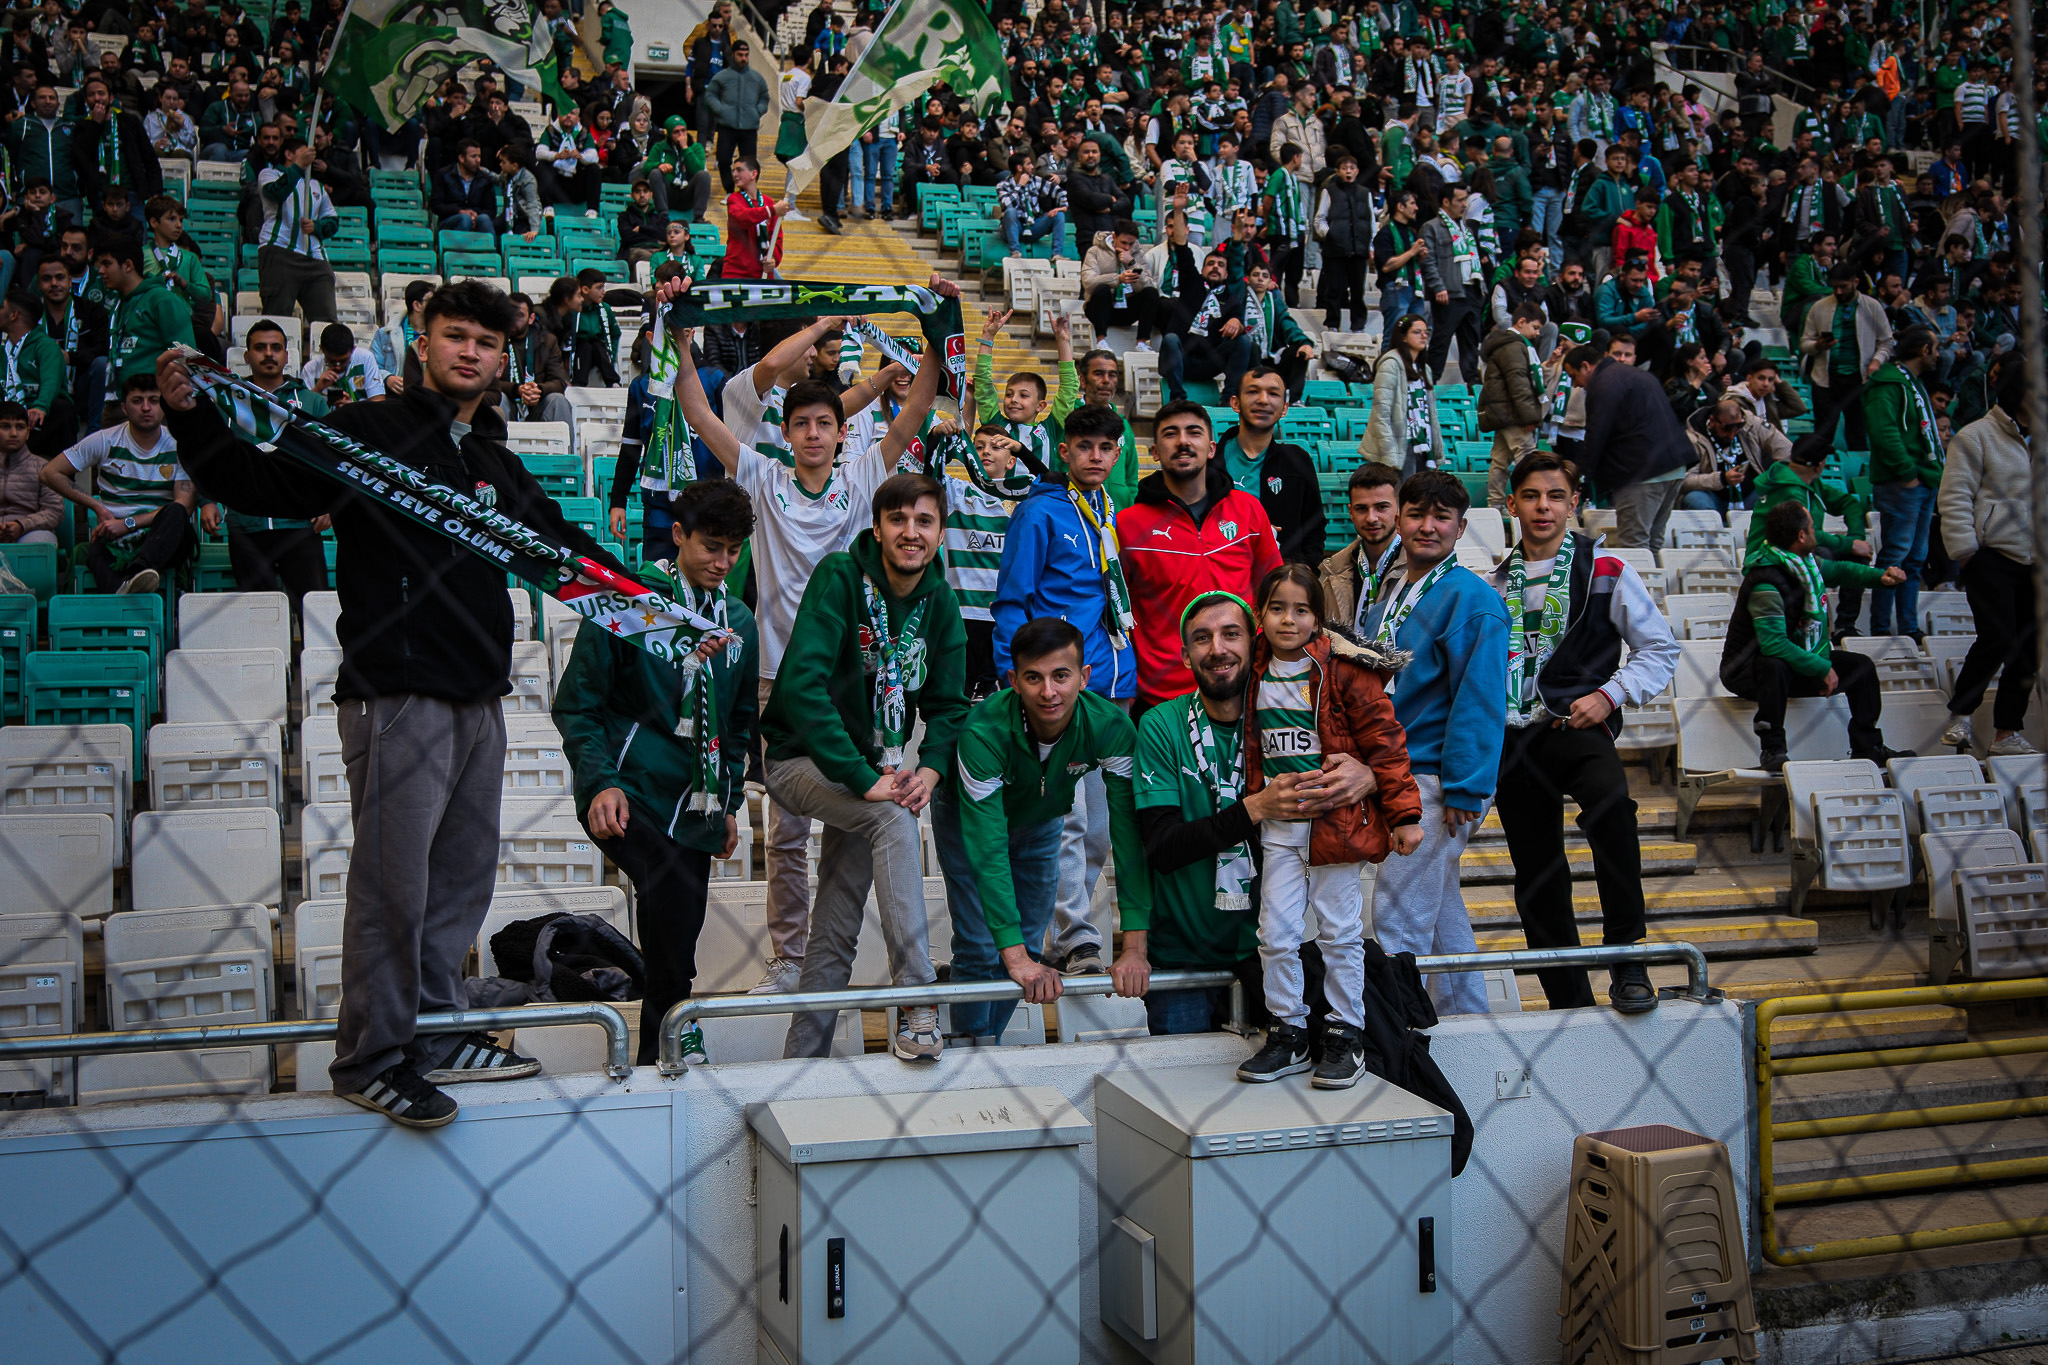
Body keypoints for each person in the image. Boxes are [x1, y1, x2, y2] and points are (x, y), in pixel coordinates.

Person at [158, 281, 630, 1127]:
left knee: (458, 887)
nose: (470, 352)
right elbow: (254, 481)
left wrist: (655, 606)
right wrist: (192, 416)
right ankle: (370, 1056)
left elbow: (564, 545)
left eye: (486, 342)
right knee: (394, 891)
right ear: (422, 341)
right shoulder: (368, 433)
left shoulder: (490, 460)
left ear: (503, 357)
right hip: (399, 695)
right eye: (456, 335)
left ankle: (437, 1031)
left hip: (480, 698)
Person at [671, 296, 931, 996]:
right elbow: (699, 412)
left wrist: (938, 338)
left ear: (842, 433)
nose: (813, 433)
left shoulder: (862, 478)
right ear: (785, 433)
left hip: (854, 683)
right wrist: (681, 344)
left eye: (825, 423)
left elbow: (914, 413)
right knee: (786, 829)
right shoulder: (762, 478)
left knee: (861, 818)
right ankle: (789, 957)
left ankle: (841, 956)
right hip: (777, 679)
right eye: (802, 423)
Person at [759, 470, 965, 1061]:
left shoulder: (941, 602)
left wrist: (928, 773)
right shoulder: (840, 576)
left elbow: (949, 706)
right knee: (894, 820)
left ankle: (800, 1063)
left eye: (924, 521)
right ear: (876, 528)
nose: (910, 532)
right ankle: (919, 1001)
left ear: (940, 532)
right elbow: (802, 689)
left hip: (874, 772)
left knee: (835, 928)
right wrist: (864, 779)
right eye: (897, 519)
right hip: (800, 759)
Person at [555, 478, 759, 1066]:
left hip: (696, 800)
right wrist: (600, 782)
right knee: (669, 890)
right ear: (678, 535)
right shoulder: (631, 602)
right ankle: (674, 1025)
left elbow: (739, 723)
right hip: (627, 788)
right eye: (711, 546)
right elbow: (578, 704)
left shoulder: (739, 622)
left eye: (734, 549)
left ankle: (661, 1042)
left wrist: (728, 805)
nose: (723, 562)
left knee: (681, 917)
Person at [1133, 590, 1384, 1034]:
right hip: (1183, 957)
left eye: (1231, 634)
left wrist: (1371, 775)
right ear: (1186, 656)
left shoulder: (1298, 712)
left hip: (1270, 956)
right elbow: (1163, 848)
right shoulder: (1161, 725)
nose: (1218, 649)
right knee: (1181, 1078)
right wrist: (1255, 809)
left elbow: (1385, 744)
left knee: (1286, 1070)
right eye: (1202, 638)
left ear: (1255, 643)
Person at [1489, 452, 1676, 1013]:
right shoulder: (1492, 582)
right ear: (1511, 504)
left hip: (1575, 723)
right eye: (1530, 496)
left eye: (1555, 496)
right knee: (1536, 871)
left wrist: (1609, 694)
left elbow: (1660, 649)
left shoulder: (1606, 568)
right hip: (1514, 739)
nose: (1542, 507)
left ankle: (1627, 958)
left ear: (1574, 504)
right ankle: (1567, 998)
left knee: (1613, 811)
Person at [1236, 564, 1422, 1085]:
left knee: (1340, 934)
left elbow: (1386, 741)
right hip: (1280, 830)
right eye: (1277, 608)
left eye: (1301, 610)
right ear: (1260, 613)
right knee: (1275, 934)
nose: (1288, 620)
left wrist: (1405, 814)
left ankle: (1346, 1034)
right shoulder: (1252, 668)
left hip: (1335, 828)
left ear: (1318, 618)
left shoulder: (1343, 670)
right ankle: (1288, 1031)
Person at [936, 617, 1153, 1043]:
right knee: (982, 946)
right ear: (1013, 681)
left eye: (1061, 676)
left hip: (1042, 820)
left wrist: (1133, 948)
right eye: (1034, 677)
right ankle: (975, 1053)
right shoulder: (983, 730)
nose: (1049, 691)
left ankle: (985, 1043)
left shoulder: (1110, 726)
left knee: (1032, 948)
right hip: (966, 822)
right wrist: (1013, 956)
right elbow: (988, 849)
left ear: (1084, 677)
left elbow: (1129, 840)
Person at [1358, 470, 1509, 1017]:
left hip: (1439, 778)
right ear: (1399, 521)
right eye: (1417, 514)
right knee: (1440, 909)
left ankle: (1400, 1031)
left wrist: (1465, 786)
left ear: (1460, 528)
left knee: (1397, 914)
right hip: (1403, 770)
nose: (1428, 526)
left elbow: (1481, 699)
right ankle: (1469, 1021)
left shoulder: (1472, 598)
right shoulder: (1393, 590)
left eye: (1441, 517)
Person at [994, 402, 1138, 975]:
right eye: (1084, 446)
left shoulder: (1107, 508)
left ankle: (1064, 930)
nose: (1095, 456)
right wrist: (1016, 679)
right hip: (1056, 692)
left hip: (1108, 681)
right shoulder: (1040, 512)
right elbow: (1012, 599)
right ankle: (1077, 937)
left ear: (1118, 454)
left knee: (1099, 828)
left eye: (1105, 448)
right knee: (1068, 820)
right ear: (1064, 450)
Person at [1117, 400, 1281, 709]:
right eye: (1170, 433)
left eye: (1194, 432)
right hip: (1163, 697)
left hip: (1245, 683)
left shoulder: (1248, 510)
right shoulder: (1127, 526)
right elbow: (1119, 612)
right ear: (1154, 451)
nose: (1183, 441)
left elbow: (1274, 592)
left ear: (1211, 448)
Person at [1720, 501, 1906, 770]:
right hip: (1747, 671)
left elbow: (1840, 570)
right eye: (1812, 527)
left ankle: (1868, 747)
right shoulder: (1765, 581)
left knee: (1861, 667)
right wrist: (1821, 667)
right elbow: (1773, 644)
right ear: (1801, 536)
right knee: (1774, 664)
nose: (1816, 532)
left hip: (1794, 658)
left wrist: (1880, 577)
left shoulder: (1805, 564)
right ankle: (1772, 749)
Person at [1938, 366, 2038, 755]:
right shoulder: (1975, 436)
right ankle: (1961, 713)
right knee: (1998, 636)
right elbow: (1954, 495)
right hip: (1991, 555)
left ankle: (2006, 734)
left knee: (2030, 649)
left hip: (2037, 561)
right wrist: (1965, 550)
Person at [210, 319, 331, 605]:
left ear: (287, 356)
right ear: (247, 355)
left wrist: (330, 505)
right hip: (246, 523)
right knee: (259, 613)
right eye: (260, 348)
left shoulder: (312, 403)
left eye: (276, 348)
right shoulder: (227, 403)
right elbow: (212, 455)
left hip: (300, 523)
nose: (268, 354)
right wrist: (206, 501)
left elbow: (332, 458)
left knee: (313, 610)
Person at [41, 373, 194, 594]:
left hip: (161, 536)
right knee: (94, 549)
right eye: (137, 401)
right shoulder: (106, 440)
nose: (146, 408)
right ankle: (125, 590)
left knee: (176, 512)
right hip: (115, 536)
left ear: (164, 405)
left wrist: (129, 523)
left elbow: (184, 506)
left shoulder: (179, 446)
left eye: (153, 400)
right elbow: (49, 473)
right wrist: (96, 506)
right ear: (124, 408)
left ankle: (137, 572)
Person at [1564, 344, 1691, 550]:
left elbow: (1597, 433)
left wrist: (1580, 476)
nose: (1576, 384)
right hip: (1673, 467)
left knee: (1635, 545)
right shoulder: (1637, 375)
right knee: (1653, 542)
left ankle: (1639, 573)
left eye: (1573, 376)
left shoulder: (1604, 383)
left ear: (1586, 366)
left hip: (1641, 472)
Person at [1862, 326, 1944, 639]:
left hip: (1924, 480)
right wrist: (1907, 472)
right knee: (1895, 556)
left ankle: (1909, 628)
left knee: (1915, 559)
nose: (1939, 355)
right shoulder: (1887, 383)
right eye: (1936, 348)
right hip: (1903, 483)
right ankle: (1882, 630)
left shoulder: (1913, 383)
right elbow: (1883, 432)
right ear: (1924, 350)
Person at [1214, 364, 1326, 563]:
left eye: (1273, 394)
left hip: (1283, 573)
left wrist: (1306, 568)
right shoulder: (1211, 461)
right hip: (1224, 570)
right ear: (1235, 403)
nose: (1263, 400)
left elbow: (1314, 525)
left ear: (1284, 408)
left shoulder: (1297, 461)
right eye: (1253, 391)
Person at [1799, 263, 1893, 451]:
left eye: (1843, 286)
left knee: (1857, 433)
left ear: (1855, 282)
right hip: (1825, 379)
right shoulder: (1819, 307)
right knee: (1822, 435)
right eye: (1834, 287)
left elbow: (1887, 342)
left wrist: (1876, 361)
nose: (1838, 291)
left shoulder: (1872, 307)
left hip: (1858, 379)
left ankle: (1857, 466)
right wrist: (1818, 346)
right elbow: (1804, 343)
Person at [255, 135, 339, 323]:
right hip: (280, 250)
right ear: (289, 154)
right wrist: (299, 165)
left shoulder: (317, 186)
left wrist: (316, 226)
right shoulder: (269, 174)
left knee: (327, 321)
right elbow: (276, 193)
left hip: (315, 258)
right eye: (304, 152)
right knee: (277, 317)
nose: (310, 156)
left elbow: (333, 221)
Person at [1477, 300, 1550, 509]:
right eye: (1535, 327)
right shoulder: (1514, 346)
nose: (1537, 333)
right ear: (1521, 322)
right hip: (1513, 415)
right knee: (1527, 459)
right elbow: (1519, 383)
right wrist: (1529, 417)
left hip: (1503, 413)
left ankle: (1495, 506)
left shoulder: (1508, 344)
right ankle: (1529, 504)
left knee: (1499, 461)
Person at [1318, 462, 1405, 635]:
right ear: (1351, 512)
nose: (1371, 518)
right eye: (1361, 509)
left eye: (1381, 507)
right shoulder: (1330, 572)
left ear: (1399, 509)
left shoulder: (1418, 570)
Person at [1419, 183, 1488, 385]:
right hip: (1449, 292)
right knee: (1441, 341)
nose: (1465, 204)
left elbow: (1473, 258)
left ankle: (1472, 384)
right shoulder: (1431, 227)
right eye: (1460, 200)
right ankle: (1430, 382)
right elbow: (1428, 261)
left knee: (1471, 342)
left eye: (1465, 199)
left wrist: (1482, 287)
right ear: (1446, 201)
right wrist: (1438, 287)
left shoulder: (1466, 228)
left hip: (1472, 290)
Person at [1358, 314, 1443, 474]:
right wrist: (1390, 455)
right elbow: (1381, 413)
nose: (1424, 336)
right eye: (1417, 332)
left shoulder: (1425, 369)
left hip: (1423, 443)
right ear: (1403, 337)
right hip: (1400, 447)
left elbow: (1431, 414)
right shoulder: (1390, 364)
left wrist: (1436, 453)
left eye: (1426, 332)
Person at [1680, 398, 1785, 515]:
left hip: (1751, 495)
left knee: (1782, 491)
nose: (1731, 435)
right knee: (1694, 499)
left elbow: (1785, 449)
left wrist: (1779, 475)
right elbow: (1684, 481)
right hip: (1714, 498)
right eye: (1726, 429)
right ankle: (1714, 527)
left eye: (1737, 428)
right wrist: (1722, 479)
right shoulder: (1693, 439)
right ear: (1712, 420)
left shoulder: (1750, 424)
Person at [0, 286, 71, 453]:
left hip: (40, 417)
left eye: (2, 307)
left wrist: (40, 407)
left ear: (13, 314)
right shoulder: (2, 349)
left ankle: (61, 467)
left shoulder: (46, 346)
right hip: (8, 416)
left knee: (62, 408)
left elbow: (50, 382)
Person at [492, 292, 576, 430]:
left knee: (558, 400)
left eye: (519, 315)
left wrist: (538, 389)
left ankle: (564, 445)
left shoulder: (548, 341)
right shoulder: (493, 340)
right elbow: (487, 381)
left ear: (531, 318)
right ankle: (494, 444)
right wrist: (517, 389)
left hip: (537, 406)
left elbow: (559, 382)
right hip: (509, 403)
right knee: (498, 397)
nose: (512, 318)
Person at [705, 41, 770, 193]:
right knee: (723, 159)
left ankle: (745, 193)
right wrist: (721, 110)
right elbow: (710, 94)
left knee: (750, 164)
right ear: (733, 55)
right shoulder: (722, 76)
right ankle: (729, 191)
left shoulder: (757, 78)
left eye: (746, 55)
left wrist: (757, 111)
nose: (743, 58)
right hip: (727, 126)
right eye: (740, 55)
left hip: (749, 127)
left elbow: (764, 97)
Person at [0, 402, 60, 544]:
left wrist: (22, 525)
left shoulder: (44, 468)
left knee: (41, 542)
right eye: (5, 426)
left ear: (28, 433)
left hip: (29, 531)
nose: (13, 434)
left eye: (20, 427)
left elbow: (54, 511)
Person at [721, 157, 787, 280]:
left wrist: (774, 259)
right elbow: (741, 217)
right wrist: (771, 211)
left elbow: (776, 236)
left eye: (739, 170)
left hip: (763, 274)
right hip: (736, 273)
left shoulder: (769, 202)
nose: (734, 174)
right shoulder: (734, 199)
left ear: (753, 174)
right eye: (733, 170)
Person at [301, 322, 388, 408]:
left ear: (353, 349)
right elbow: (302, 408)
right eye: (332, 361)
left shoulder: (365, 358)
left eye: (343, 361)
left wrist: (352, 408)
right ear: (322, 349)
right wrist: (318, 388)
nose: (338, 367)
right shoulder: (310, 369)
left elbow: (378, 402)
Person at [430, 139, 498, 233]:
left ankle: (490, 243)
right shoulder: (444, 175)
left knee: (484, 219)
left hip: (477, 219)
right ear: (461, 158)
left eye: (479, 156)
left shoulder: (485, 179)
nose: (478, 160)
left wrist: (475, 215)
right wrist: (459, 211)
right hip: (450, 220)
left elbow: (491, 210)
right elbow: (436, 205)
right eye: (473, 156)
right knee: (465, 219)